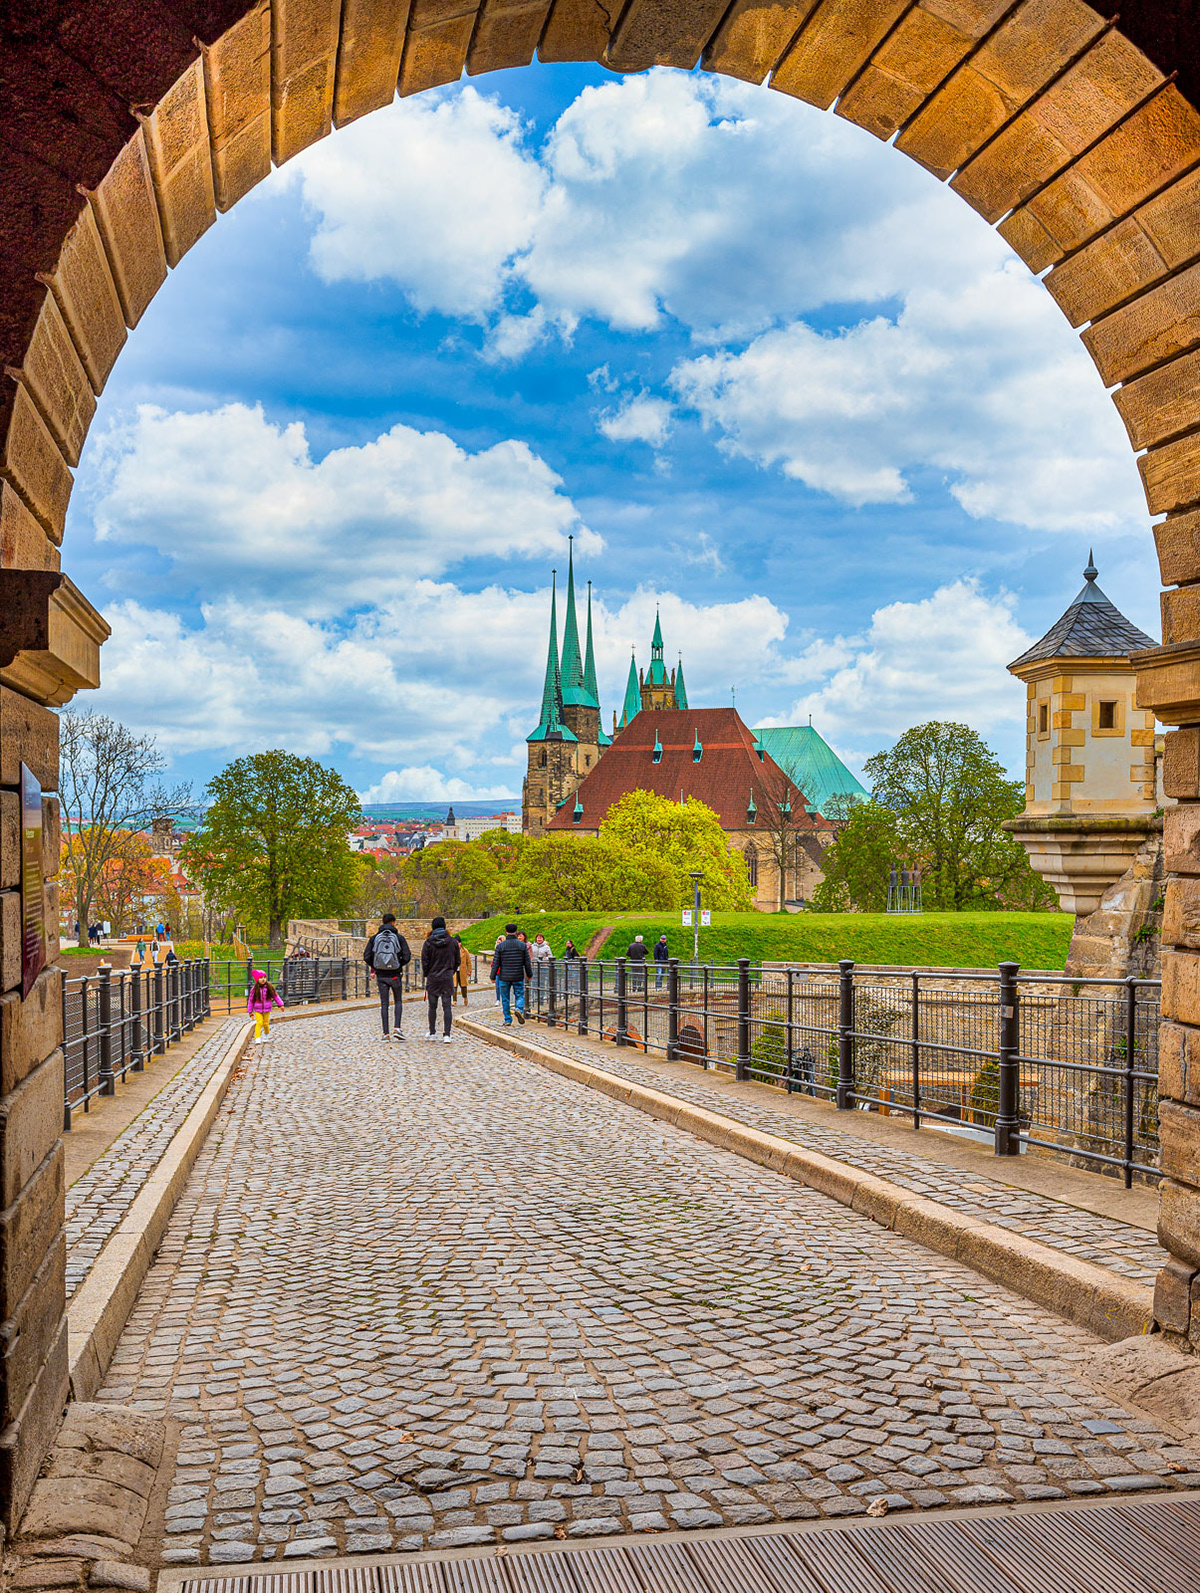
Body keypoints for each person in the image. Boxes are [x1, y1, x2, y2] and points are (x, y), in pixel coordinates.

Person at [364, 912, 412, 1041]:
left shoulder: (374, 938)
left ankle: (385, 1033)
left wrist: (377, 965)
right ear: (393, 922)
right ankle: (397, 1028)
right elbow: (407, 956)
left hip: (381, 976)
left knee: (384, 1003)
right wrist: (398, 965)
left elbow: (366, 956)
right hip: (395, 975)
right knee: (398, 1001)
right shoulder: (399, 938)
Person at [421, 915, 461, 1042]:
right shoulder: (453, 942)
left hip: (433, 977)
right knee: (447, 1006)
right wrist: (450, 971)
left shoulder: (428, 942)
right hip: (447, 976)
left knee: (432, 1006)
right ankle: (447, 1034)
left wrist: (427, 974)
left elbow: (425, 961)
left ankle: (432, 1032)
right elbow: (457, 961)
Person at [490, 924, 532, 1027]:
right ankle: (518, 1008)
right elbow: (527, 962)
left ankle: (508, 1019)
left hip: (504, 976)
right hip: (518, 974)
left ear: (506, 931)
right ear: (516, 931)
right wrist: (529, 974)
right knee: (519, 994)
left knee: (505, 998)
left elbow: (496, 962)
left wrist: (493, 976)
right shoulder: (522, 946)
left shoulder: (500, 946)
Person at [246, 969, 284, 1043]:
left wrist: (281, 1004)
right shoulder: (254, 989)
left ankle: (266, 1034)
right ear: (257, 980)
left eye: (264, 977)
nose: (263, 979)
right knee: (259, 1022)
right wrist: (250, 1011)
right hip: (257, 1009)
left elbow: (275, 996)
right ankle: (257, 1037)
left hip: (267, 1009)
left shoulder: (269, 987)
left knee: (266, 1023)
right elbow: (251, 1000)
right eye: (261, 978)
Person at [529, 931, 553, 1006]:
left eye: (541, 938)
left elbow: (550, 956)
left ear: (543, 939)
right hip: (534, 967)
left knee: (542, 983)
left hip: (543, 967)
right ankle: (535, 998)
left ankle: (541, 998)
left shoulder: (546, 947)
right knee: (534, 982)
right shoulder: (532, 946)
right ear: (536, 939)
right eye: (538, 938)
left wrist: (545, 959)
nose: (539, 939)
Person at [453, 934, 471, 1005]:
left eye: (458, 942)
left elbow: (468, 962)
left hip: (462, 971)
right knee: (454, 986)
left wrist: (469, 971)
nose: (458, 944)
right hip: (454, 971)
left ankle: (465, 997)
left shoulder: (464, 951)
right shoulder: (451, 951)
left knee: (463, 986)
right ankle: (454, 1000)